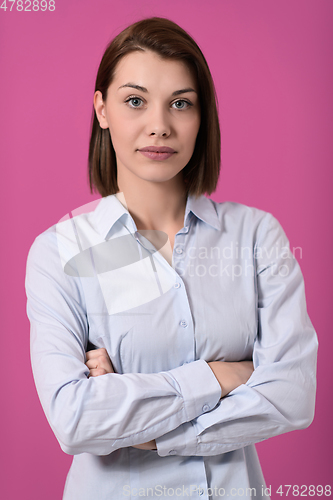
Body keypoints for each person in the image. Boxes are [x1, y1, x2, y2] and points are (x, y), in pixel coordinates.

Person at [25, 17, 318, 500]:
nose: (159, 125)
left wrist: (146, 430)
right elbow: (75, 420)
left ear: (202, 117)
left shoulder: (256, 236)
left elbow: (292, 397)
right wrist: (226, 374)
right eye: (134, 100)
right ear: (102, 109)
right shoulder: (60, 252)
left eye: (180, 103)